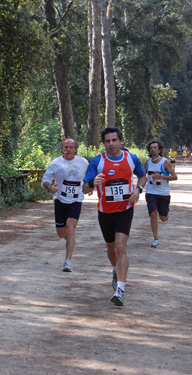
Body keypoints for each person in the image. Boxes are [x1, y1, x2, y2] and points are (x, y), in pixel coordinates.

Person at [83, 127, 146, 306]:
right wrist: (91, 183)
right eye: (107, 141)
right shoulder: (97, 161)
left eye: (114, 140)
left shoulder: (131, 159)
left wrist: (138, 189)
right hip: (105, 211)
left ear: (121, 142)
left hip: (125, 209)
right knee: (111, 249)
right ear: (104, 144)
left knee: (120, 247)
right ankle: (115, 270)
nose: (111, 144)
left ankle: (120, 290)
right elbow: (84, 188)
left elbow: (143, 176)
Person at [41, 139, 89, 272]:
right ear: (62, 149)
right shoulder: (56, 163)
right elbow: (45, 180)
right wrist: (49, 187)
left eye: (71, 147)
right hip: (60, 199)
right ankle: (69, 238)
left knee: (71, 226)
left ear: (75, 149)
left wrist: (89, 187)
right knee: (61, 233)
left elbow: (89, 177)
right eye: (65, 147)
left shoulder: (83, 162)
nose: (68, 149)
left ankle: (67, 261)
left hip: (76, 200)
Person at [144, 140, 177, 248]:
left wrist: (161, 176)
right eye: (151, 147)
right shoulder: (147, 162)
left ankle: (165, 215)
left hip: (163, 193)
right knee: (153, 214)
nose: (153, 149)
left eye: (155, 147)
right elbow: (143, 176)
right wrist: (138, 188)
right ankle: (155, 238)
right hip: (150, 192)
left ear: (159, 150)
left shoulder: (165, 162)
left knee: (163, 217)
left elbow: (174, 176)